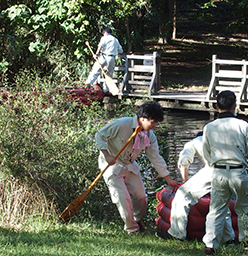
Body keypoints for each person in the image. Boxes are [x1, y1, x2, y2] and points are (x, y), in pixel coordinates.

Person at [95, 101, 178, 234]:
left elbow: (155, 157)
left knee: (141, 197)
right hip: (112, 166)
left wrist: (169, 180)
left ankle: (136, 220)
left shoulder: (149, 135)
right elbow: (100, 135)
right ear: (143, 118)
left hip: (130, 165)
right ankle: (132, 230)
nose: (154, 126)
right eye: (153, 122)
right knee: (123, 198)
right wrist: (106, 154)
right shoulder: (121, 124)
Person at [201, 91, 248, 255]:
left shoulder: (209, 127)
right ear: (235, 105)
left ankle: (210, 245)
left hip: (219, 171)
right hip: (238, 172)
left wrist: (213, 165)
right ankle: (247, 241)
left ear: (216, 106)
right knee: (244, 207)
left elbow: (206, 152)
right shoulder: (243, 125)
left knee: (216, 210)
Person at [155, 131, 235, 243]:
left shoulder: (194, 142)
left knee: (182, 196)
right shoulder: (219, 140)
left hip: (214, 170)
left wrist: (185, 182)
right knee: (221, 203)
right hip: (233, 171)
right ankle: (228, 238)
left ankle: (177, 234)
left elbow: (184, 162)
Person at [85, 27, 123, 94]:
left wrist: (96, 54)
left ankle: (88, 83)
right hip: (111, 58)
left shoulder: (104, 38)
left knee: (96, 71)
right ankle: (105, 90)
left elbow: (100, 46)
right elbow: (120, 50)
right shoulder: (115, 40)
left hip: (103, 57)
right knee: (109, 74)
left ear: (105, 32)